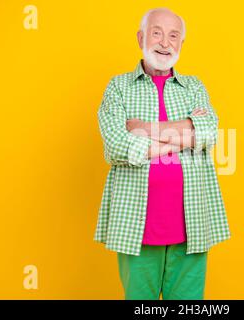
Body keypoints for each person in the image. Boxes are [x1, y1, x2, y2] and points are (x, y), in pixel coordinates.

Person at [94, 7, 231, 300]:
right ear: (141, 37)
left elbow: (208, 133)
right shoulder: (118, 87)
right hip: (136, 226)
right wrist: (185, 135)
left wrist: (144, 128)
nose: (165, 43)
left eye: (173, 36)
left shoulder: (194, 86)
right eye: (157, 33)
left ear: (181, 44)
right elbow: (116, 145)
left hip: (192, 224)